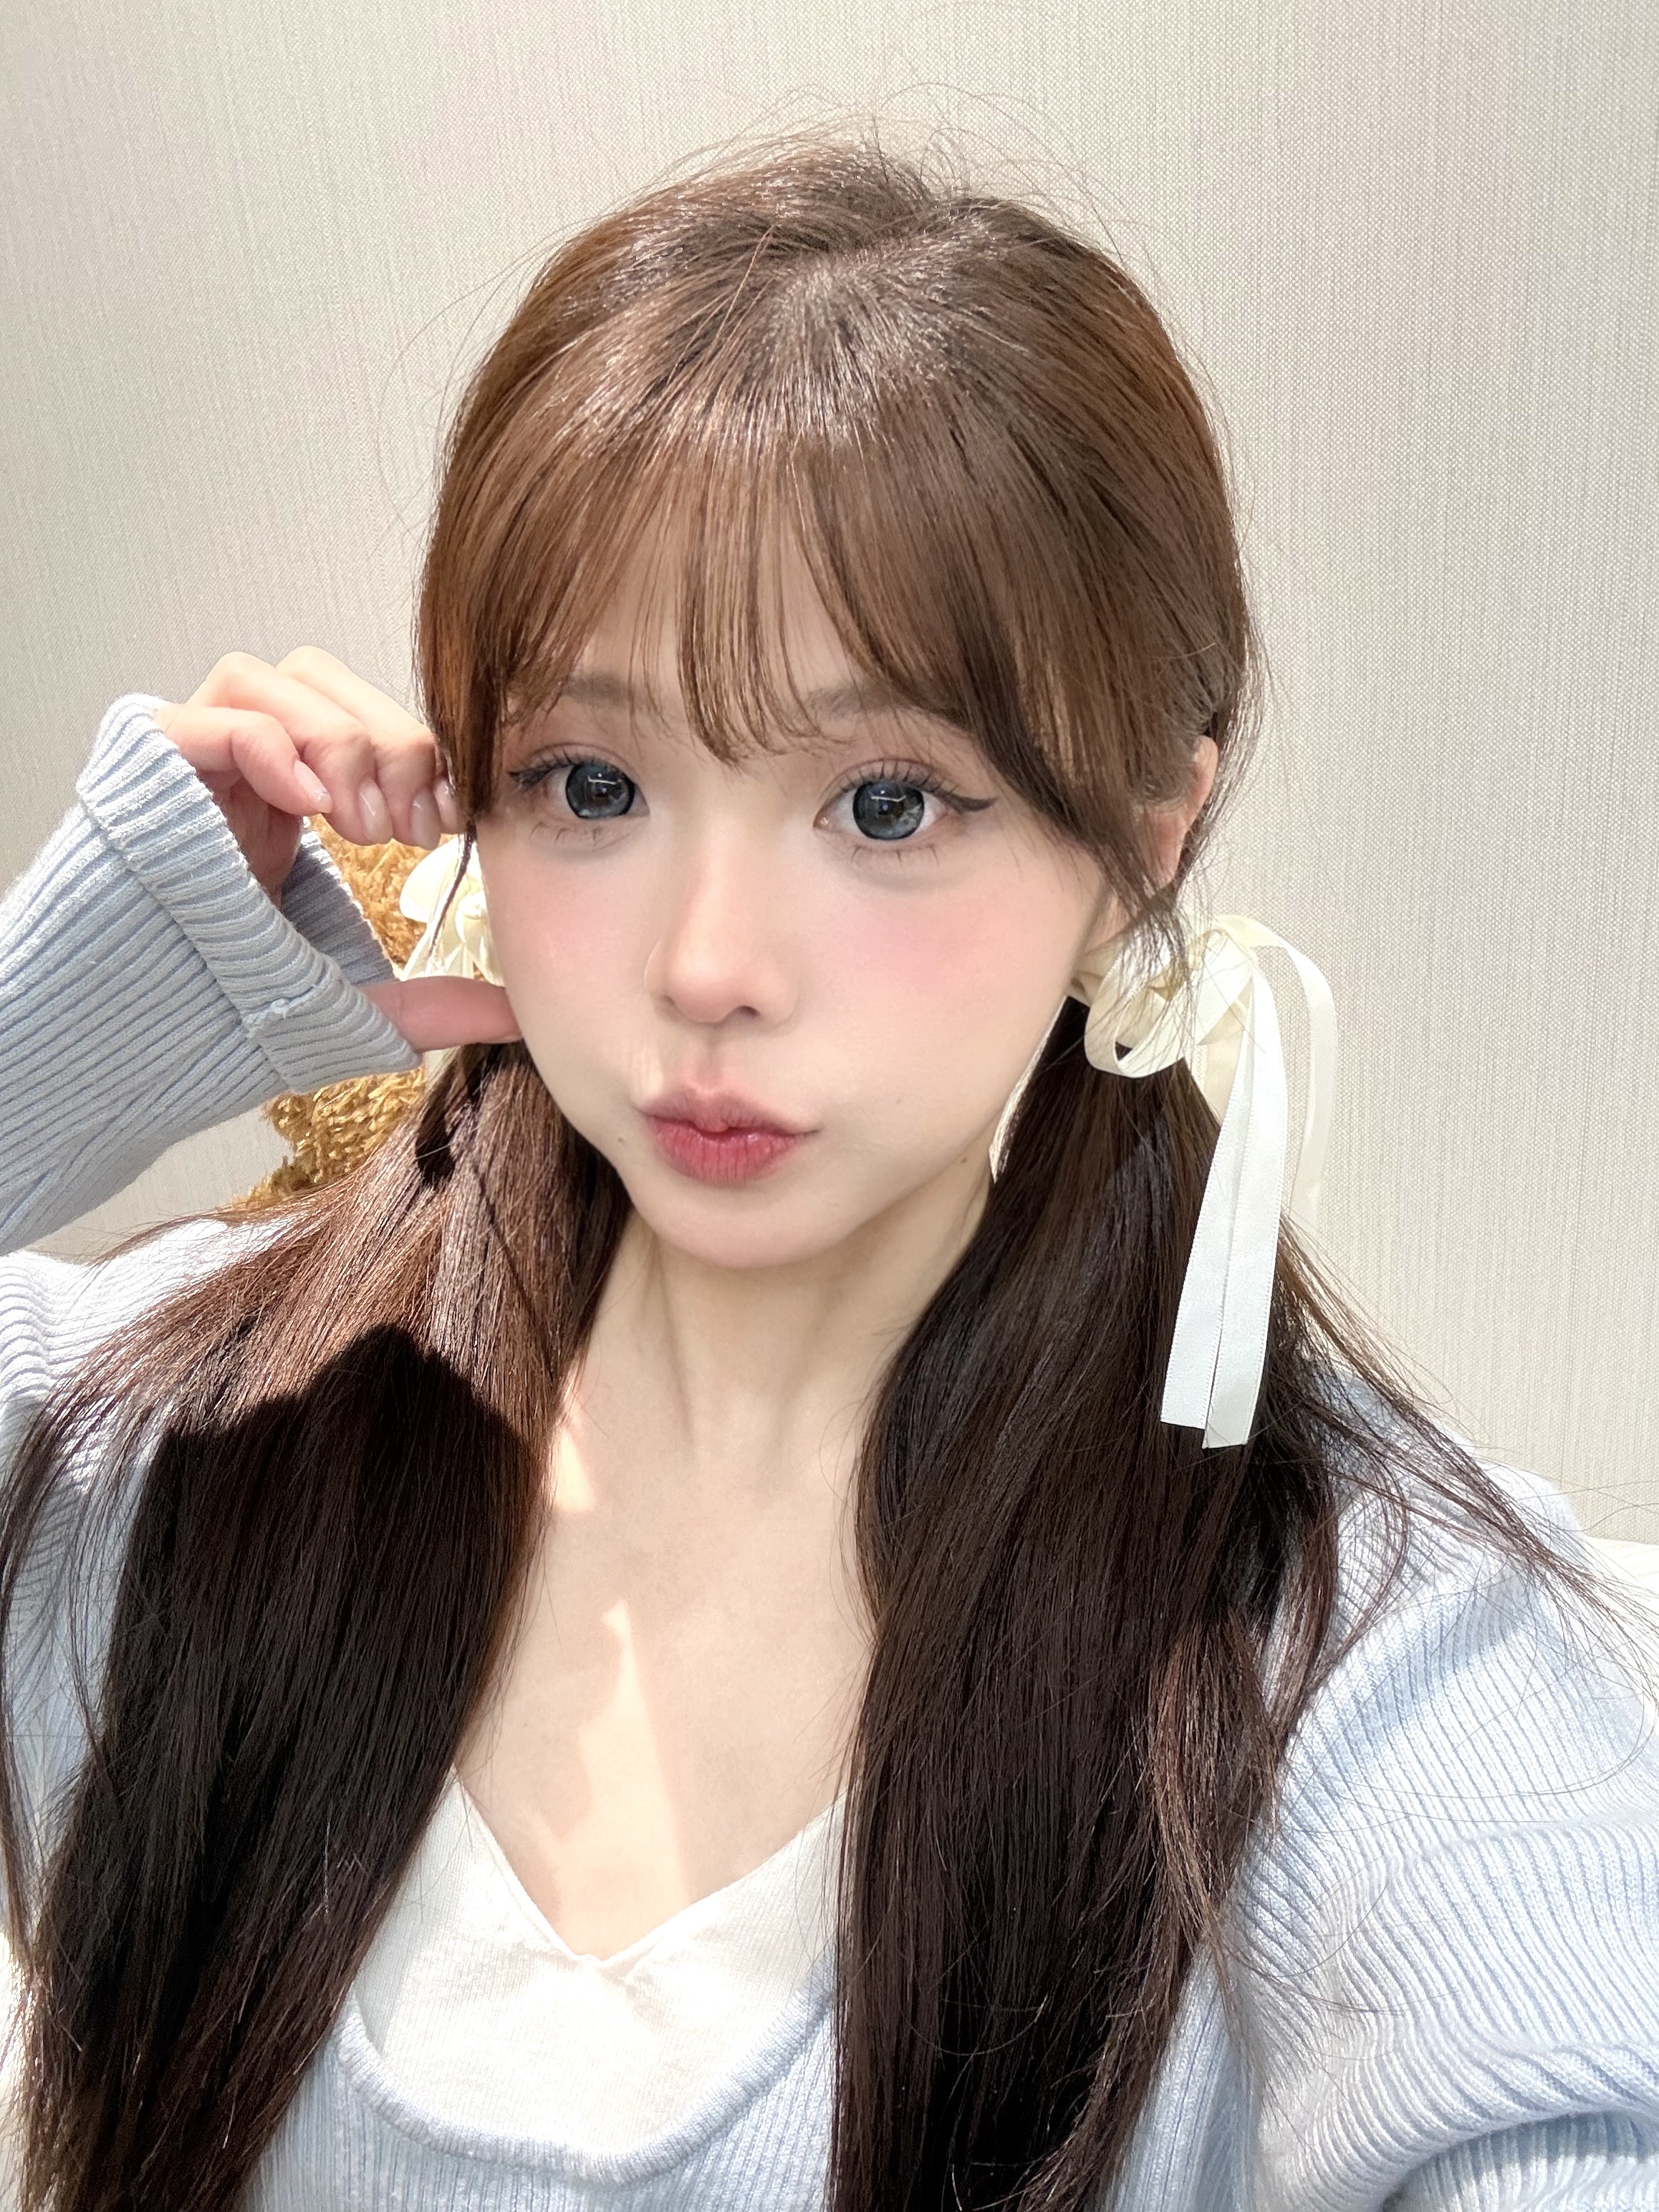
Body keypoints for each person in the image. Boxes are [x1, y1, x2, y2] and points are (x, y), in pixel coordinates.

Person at [0, 136, 1656, 2212]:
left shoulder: (1346, 1651)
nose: (711, 967)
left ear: (1146, 838)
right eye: (589, 783)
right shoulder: (165, 1447)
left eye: (886, 805)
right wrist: (94, 988)